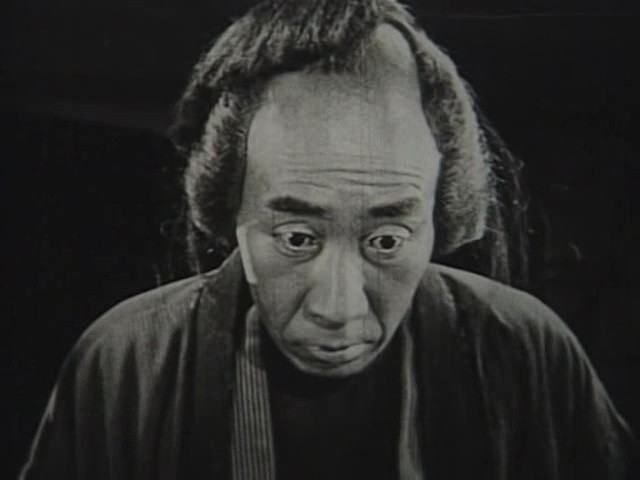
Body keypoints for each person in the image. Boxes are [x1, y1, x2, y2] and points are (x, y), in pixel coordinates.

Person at [20, 0, 637, 479]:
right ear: (230, 211)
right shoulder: (127, 363)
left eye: (386, 241)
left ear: (440, 218)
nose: (337, 309)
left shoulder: (525, 351)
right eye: (296, 237)